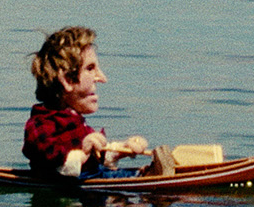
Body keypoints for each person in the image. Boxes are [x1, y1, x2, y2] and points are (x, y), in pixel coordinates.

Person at [23, 26, 163, 179]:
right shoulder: (40, 126)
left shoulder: (75, 123)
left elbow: (98, 156)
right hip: (75, 193)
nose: (102, 78)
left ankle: (146, 176)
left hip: (92, 179)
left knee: (135, 176)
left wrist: (124, 149)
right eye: (90, 68)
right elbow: (53, 161)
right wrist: (83, 153)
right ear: (67, 80)